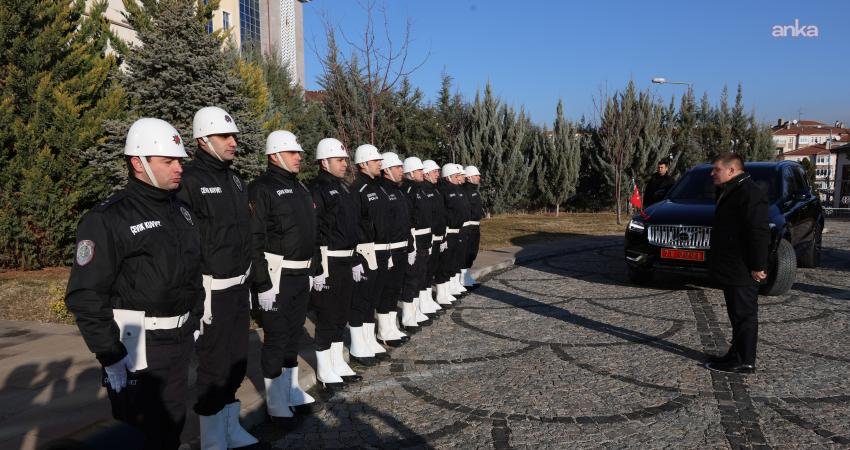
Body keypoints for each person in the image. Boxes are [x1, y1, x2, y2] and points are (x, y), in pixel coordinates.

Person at [65, 118, 202, 450]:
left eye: (179, 160)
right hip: (140, 348)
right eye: (168, 161)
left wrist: (194, 318)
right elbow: (86, 294)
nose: (178, 168)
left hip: (179, 339)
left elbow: (192, 272)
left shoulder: (182, 212)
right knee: (139, 434)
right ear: (138, 163)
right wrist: (110, 353)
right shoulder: (109, 218)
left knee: (172, 426)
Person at [176, 106, 257, 448]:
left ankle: (229, 426)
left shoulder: (235, 180)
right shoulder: (190, 180)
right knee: (213, 366)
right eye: (225, 136)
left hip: (239, 286)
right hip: (212, 290)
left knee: (237, 360)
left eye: (234, 136)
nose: (233, 142)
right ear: (203, 140)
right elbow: (184, 241)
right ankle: (212, 439)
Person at [248, 130, 318, 425]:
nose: (299, 157)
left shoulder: (301, 188)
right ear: (275, 155)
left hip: (301, 273)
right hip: (276, 277)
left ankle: (290, 391)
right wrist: (262, 282)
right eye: (293, 153)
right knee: (276, 338)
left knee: (292, 335)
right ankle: (276, 402)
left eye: (299, 153)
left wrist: (313, 269)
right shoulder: (261, 189)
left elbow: (311, 231)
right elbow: (254, 237)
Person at [705, 152, 769, 374]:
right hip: (732, 265)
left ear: (731, 170)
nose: (712, 173)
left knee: (744, 314)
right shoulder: (730, 190)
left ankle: (745, 360)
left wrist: (759, 265)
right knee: (736, 314)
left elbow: (758, 232)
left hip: (744, 267)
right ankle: (736, 353)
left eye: (717, 169)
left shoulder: (750, 193)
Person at [309, 138, 363, 387]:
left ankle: (337, 360)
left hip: (345, 257)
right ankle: (324, 367)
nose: (344, 164)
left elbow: (352, 226)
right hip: (329, 259)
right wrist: (318, 266)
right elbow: (316, 228)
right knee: (327, 315)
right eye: (340, 160)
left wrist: (356, 257)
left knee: (341, 313)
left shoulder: (344, 188)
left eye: (345, 160)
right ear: (324, 162)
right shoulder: (317, 188)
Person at [348, 144, 391, 364]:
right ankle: (357, 345)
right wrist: (356, 258)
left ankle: (368, 339)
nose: (380, 164)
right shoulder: (358, 189)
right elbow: (353, 225)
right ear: (364, 163)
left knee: (372, 297)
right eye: (376, 161)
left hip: (380, 249)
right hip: (364, 251)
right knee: (361, 299)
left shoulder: (378, 188)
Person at [373, 152, 413, 345]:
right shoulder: (383, 190)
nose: (401, 171)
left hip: (401, 247)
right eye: (397, 167)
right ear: (387, 170)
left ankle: (391, 327)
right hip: (388, 248)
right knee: (386, 291)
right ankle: (384, 330)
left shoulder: (398, 191)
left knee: (394, 290)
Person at [399, 157, 435, 331]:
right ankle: (407, 315)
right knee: (412, 279)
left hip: (425, 237)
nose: (423, 173)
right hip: (415, 237)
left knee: (420, 277)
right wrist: (411, 242)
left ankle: (415, 311)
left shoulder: (419, 189)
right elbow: (409, 218)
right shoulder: (408, 189)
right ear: (411, 172)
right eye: (420, 170)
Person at [438, 164, 471, 301]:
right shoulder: (443, 190)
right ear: (448, 177)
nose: (460, 178)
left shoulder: (457, 190)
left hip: (458, 229)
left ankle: (452, 286)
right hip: (448, 230)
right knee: (446, 263)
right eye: (457, 176)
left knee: (455, 259)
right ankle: (444, 292)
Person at [421, 160, 449, 311]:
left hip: (438, 235)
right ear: (426, 174)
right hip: (428, 237)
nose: (438, 174)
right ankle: (424, 302)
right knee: (425, 272)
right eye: (435, 172)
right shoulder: (425, 191)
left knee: (431, 269)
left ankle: (428, 300)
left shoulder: (435, 189)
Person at [460, 165, 483, 288]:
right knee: (466, 252)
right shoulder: (466, 191)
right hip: (468, 226)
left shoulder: (474, 190)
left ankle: (467, 275)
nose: (479, 177)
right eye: (476, 175)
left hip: (475, 226)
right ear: (468, 177)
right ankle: (463, 278)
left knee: (472, 252)